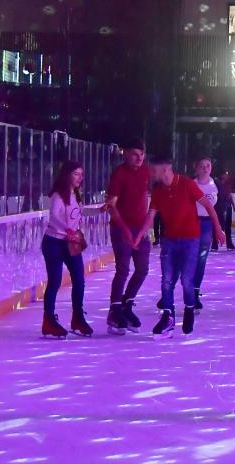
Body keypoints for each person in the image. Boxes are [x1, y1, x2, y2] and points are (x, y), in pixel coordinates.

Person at [137, 156, 225, 339]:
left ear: (164, 170)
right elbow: (150, 215)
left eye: (153, 171)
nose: (151, 174)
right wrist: (138, 236)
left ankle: (190, 308)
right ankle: (168, 317)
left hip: (190, 240)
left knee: (186, 280)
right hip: (169, 240)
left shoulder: (186, 184)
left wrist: (218, 228)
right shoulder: (159, 190)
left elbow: (208, 206)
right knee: (167, 280)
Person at [40, 160, 93, 339]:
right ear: (67, 174)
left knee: (79, 279)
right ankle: (48, 321)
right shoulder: (58, 195)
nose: (80, 177)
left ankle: (77, 317)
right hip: (54, 242)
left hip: (71, 243)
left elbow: (81, 212)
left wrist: (100, 210)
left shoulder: (75, 193)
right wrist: (67, 230)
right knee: (54, 281)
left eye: (81, 174)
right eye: (76, 174)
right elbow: (54, 216)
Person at [106, 139, 151, 335]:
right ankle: (115, 310)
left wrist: (143, 230)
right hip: (121, 228)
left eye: (142, 154)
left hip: (140, 229)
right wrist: (124, 230)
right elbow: (112, 206)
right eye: (135, 154)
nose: (139, 158)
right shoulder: (119, 174)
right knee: (123, 269)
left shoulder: (146, 172)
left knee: (142, 269)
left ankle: (126, 304)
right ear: (125, 154)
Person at [192, 157, 219, 313]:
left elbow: (217, 208)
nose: (205, 168)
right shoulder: (191, 185)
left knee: (201, 260)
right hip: (192, 224)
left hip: (207, 225)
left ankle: (195, 292)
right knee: (188, 259)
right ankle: (169, 292)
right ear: (196, 168)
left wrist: (218, 228)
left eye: (207, 165)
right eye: (201, 166)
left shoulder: (215, 186)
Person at [213, 169, 235, 250]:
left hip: (227, 206)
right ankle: (214, 244)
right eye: (226, 174)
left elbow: (229, 195)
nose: (227, 175)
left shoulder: (227, 183)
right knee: (218, 225)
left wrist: (233, 205)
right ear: (222, 175)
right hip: (219, 206)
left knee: (228, 226)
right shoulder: (216, 183)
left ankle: (229, 244)